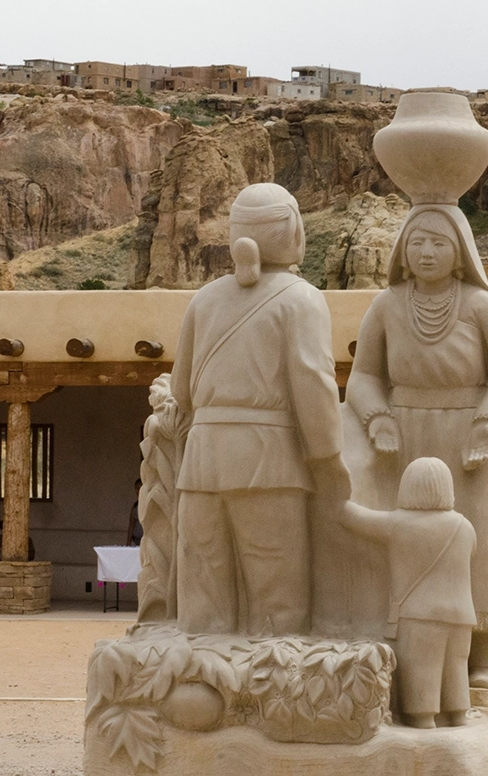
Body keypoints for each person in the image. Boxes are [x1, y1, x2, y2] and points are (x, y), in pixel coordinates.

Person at [345, 204, 488, 690]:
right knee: (404, 541)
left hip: (470, 439)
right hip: (402, 439)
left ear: (460, 252)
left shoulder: (480, 305)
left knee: (481, 543)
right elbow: (364, 376)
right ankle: (399, 644)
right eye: (417, 243)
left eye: (438, 243)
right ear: (402, 252)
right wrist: (377, 417)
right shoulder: (386, 305)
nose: (426, 252)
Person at [171, 182, 350, 637]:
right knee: (277, 600)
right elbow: (313, 386)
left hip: (202, 461)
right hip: (270, 462)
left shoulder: (204, 298)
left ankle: (200, 678)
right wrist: (329, 459)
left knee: (203, 599)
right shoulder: (301, 298)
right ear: (292, 230)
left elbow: (181, 390)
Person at [339, 457, 476, 729]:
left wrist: (333, 489)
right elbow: (471, 553)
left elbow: (351, 517)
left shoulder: (398, 524)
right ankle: (458, 714)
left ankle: (423, 718)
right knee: (456, 667)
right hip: (462, 615)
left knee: (423, 668)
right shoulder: (465, 527)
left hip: (419, 614)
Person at [126, 478, 143, 547]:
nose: (138, 491)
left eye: (139, 488)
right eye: (136, 488)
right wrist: (128, 544)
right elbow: (131, 526)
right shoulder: (135, 506)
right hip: (136, 542)